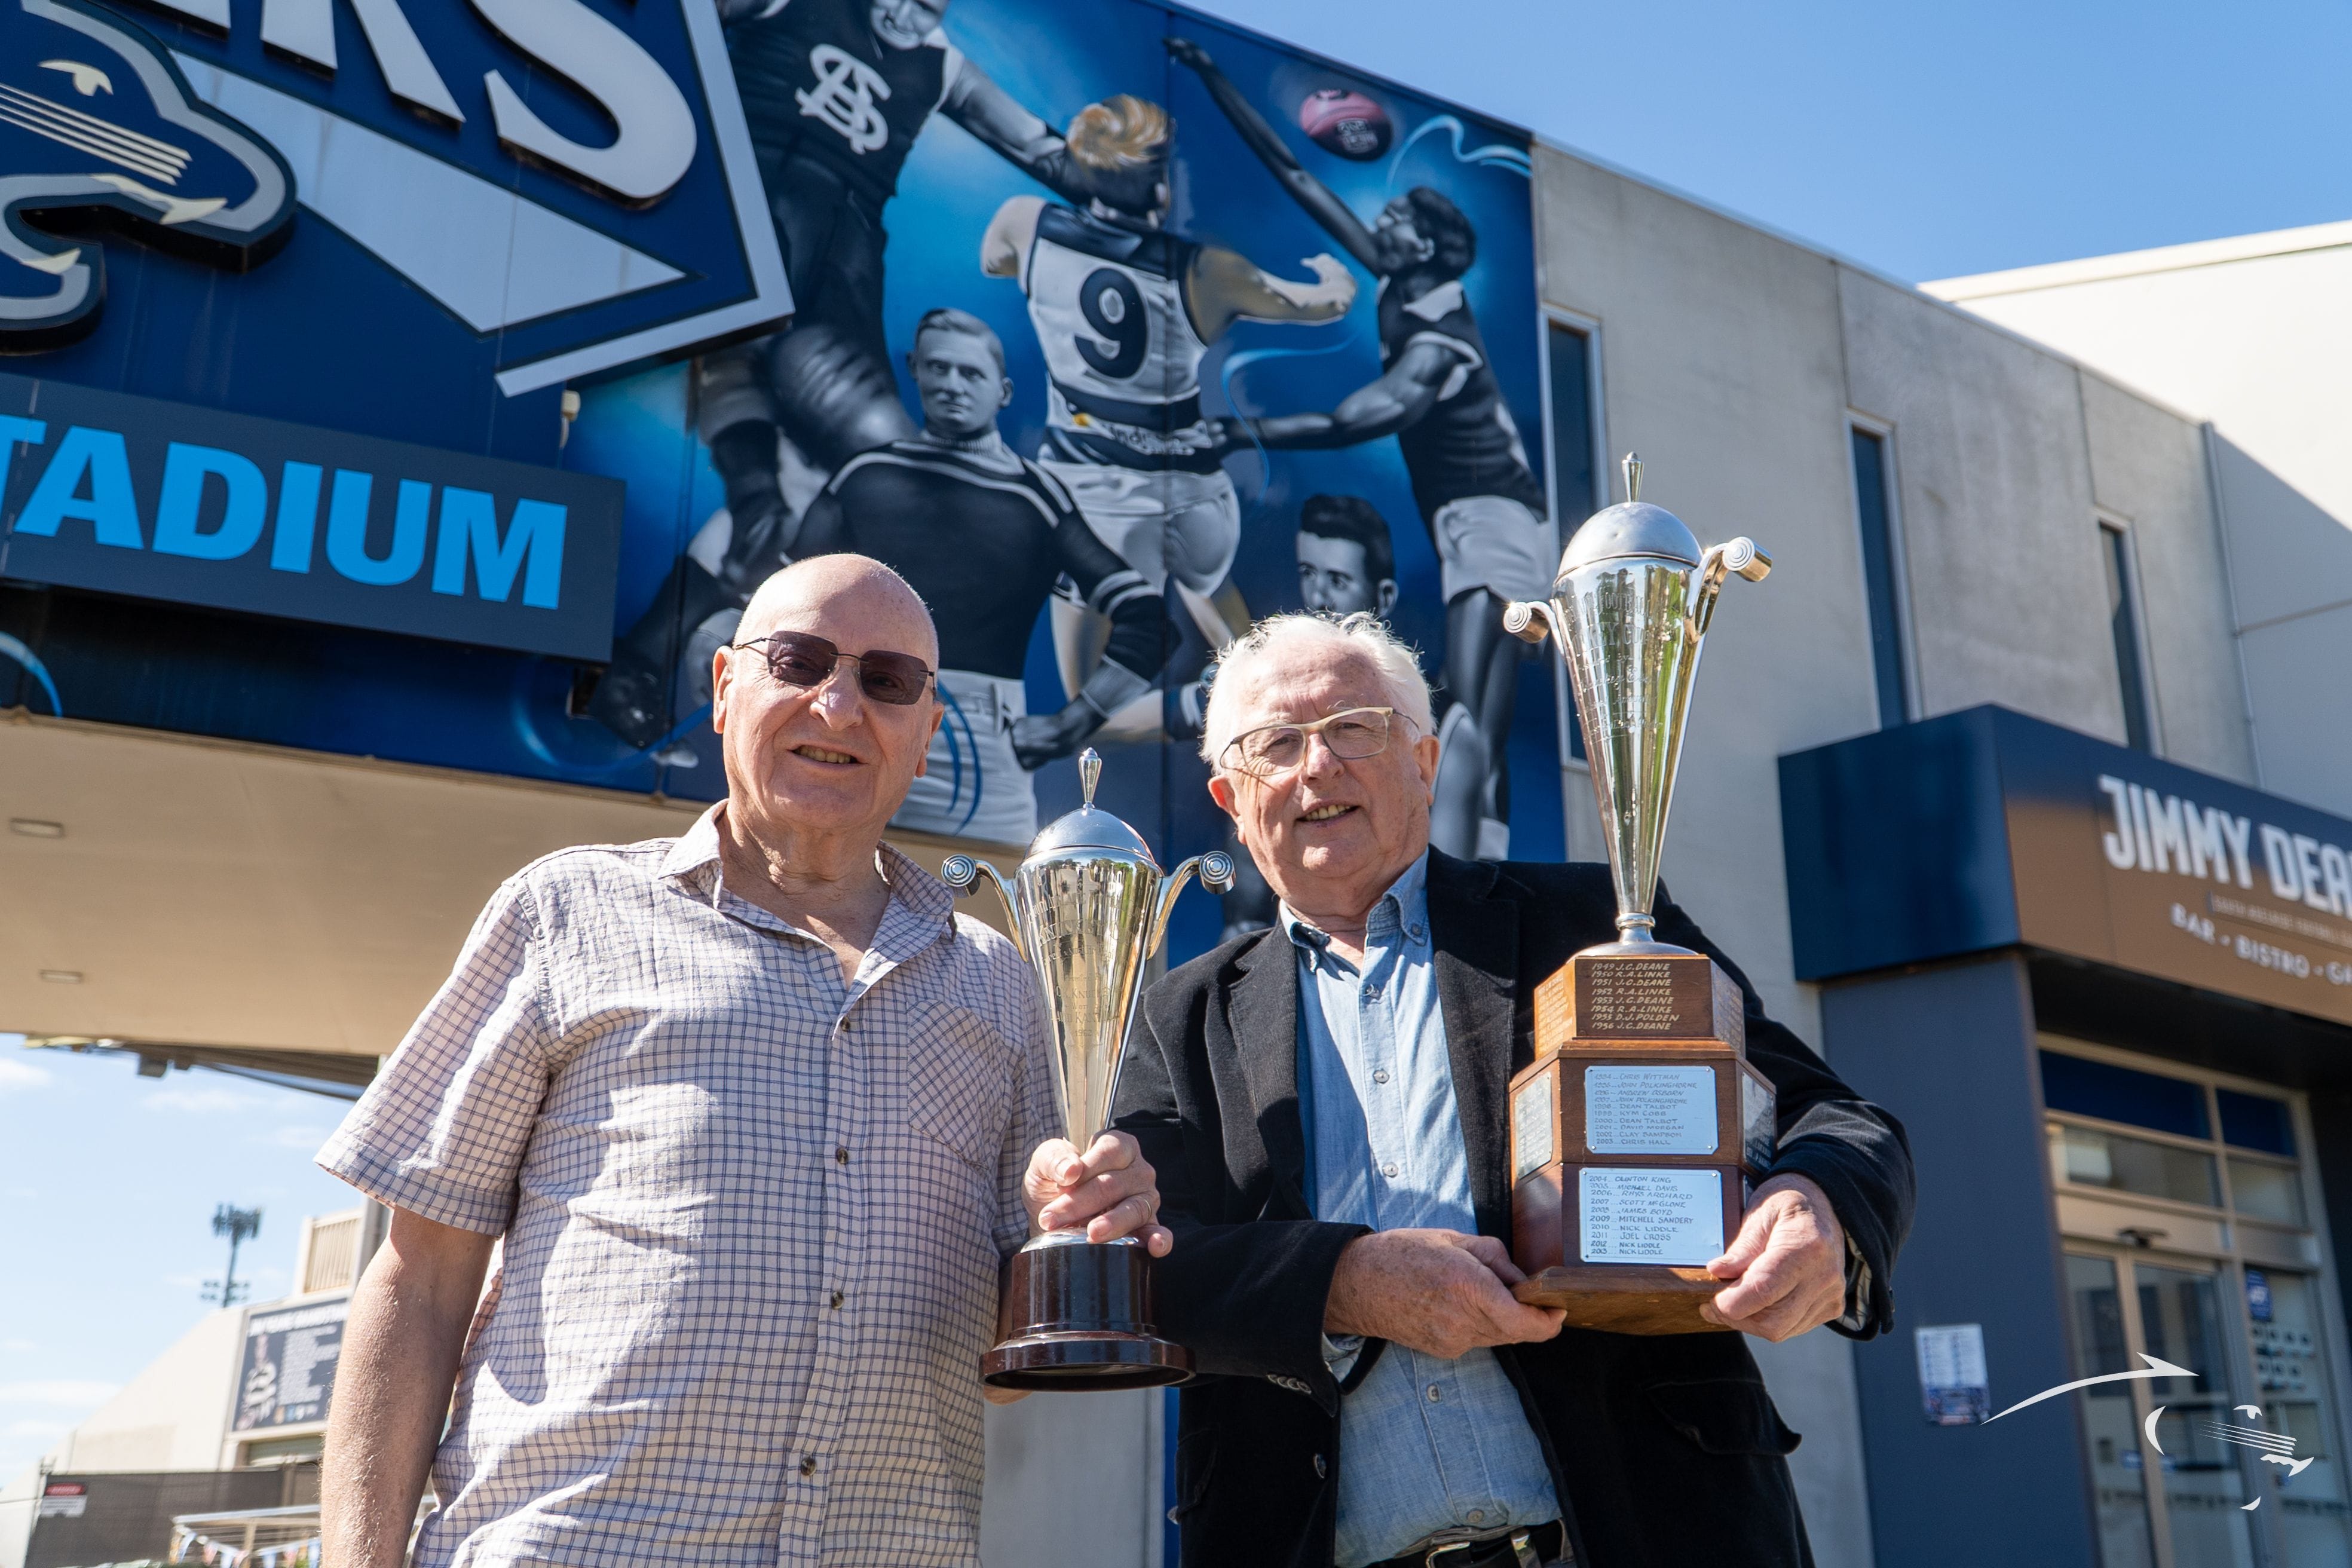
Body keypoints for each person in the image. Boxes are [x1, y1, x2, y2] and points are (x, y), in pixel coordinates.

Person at [318, 555, 1171, 1568]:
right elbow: (421, 1279)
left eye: (888, 680)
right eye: (799, 661)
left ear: (927, 733)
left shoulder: (1001, 986)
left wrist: (1078, 1234)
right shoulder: (563, 914)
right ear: (725, 686)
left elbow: (1002, 1365)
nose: (840, 704)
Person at [1112, 611, 1914, 1568]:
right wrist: (1344, 1283)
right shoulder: (1177, 1016)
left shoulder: (1592, 924)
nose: (1316, 766)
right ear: (1230, 801)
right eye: (1275, 744)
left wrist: (1818, 1202)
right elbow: (1145, 1268)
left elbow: (1831, 1116)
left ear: (1425, 761)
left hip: (1648, 1531)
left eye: (1352, 729)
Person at [590, 0, 1083, 749]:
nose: (906, 13)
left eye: (928, 4)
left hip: (839, 269)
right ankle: (670, 656)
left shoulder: (942, 65)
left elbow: (1051, 155)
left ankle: (658, 660)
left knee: (822, 491)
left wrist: (1128, 177)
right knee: (791, 445)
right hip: (745, 223)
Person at [1172, 37, 1554, 862]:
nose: (1381, 221)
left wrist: (1242, 430)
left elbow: (1357, 419)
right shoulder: (1402, 278)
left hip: (1496, 519)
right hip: (1471, 517)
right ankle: (1475, 856)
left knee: (1472, 710)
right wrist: (1213, 79)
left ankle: (1476, 867)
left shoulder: (1440, 341)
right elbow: (1300, 178)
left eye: (1398, 219)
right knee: (1471, 709)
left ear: (1426, 247)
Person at [981, 92, 1355, 666]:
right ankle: (1267, 696)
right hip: (1196, 496)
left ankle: (1162, 708)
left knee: (1088, 697)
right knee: (1237, 642)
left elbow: (994, 261)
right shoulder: (1207, 271)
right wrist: (1334, 276)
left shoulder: (1025, 223)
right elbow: (1325, 304)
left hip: (1093, 497)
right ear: (1160, 187)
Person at [796, 308, 1168, 844]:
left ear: (1004, 392)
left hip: (984, 756)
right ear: (915, 369)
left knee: (973, 893)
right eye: (938, 368)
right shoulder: (864, 477)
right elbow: (780, 606)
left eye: (970, 373)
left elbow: (1149, 622)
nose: (952, 385)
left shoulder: (1037, 500)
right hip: (850, 727)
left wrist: (1074, 723)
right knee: (828, 880)